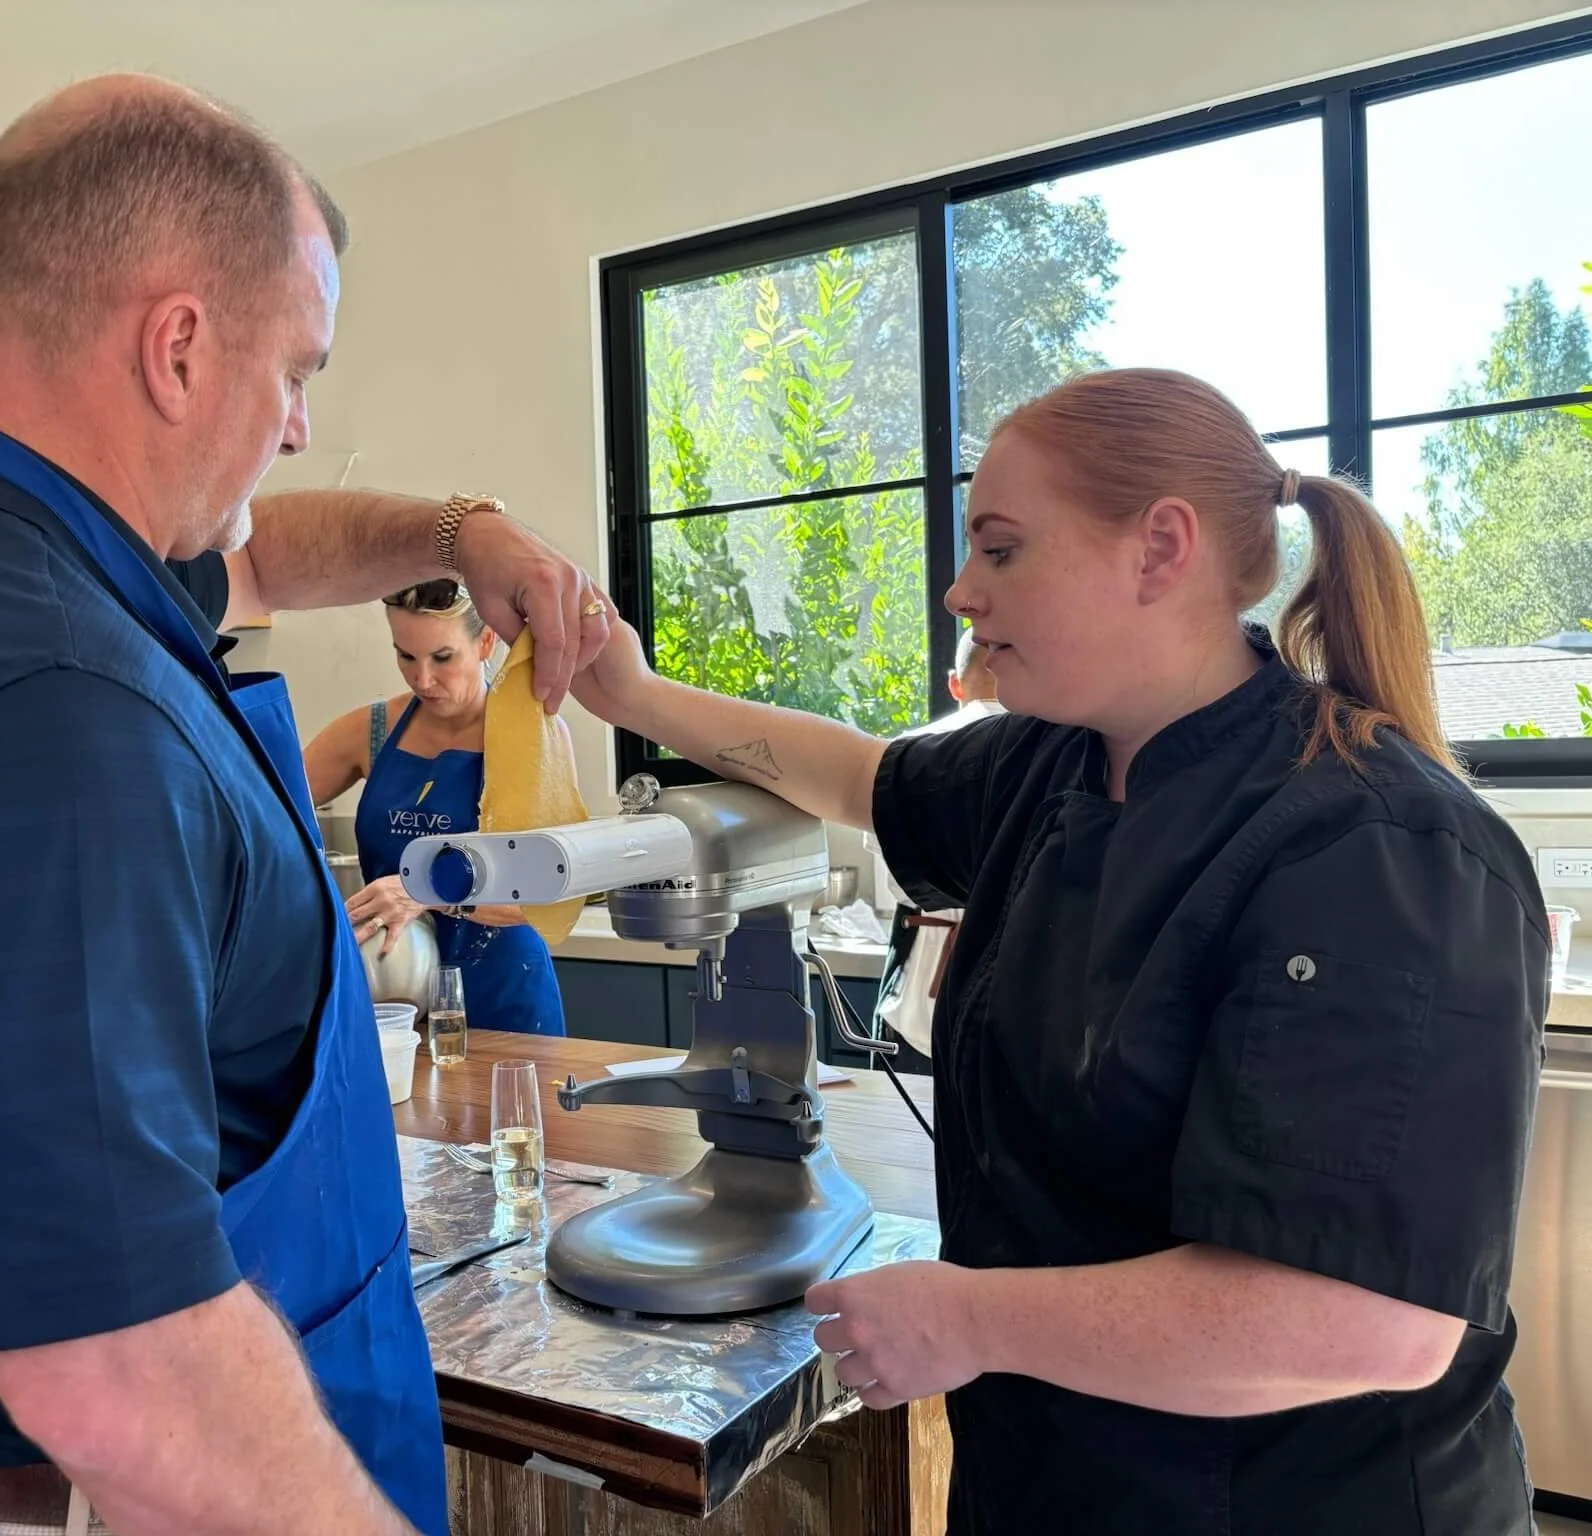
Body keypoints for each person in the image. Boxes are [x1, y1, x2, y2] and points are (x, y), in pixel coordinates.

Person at [0, 76, 610, 1536]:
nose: (303, 428)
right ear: (180, 346)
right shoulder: (46, 706)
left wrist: (460, 532)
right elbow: (113, 1362)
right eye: (297, 372)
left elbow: (262, 560)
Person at [570, 367, 1545, 1534]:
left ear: (1157, 549)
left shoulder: (1380, 847)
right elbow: (853, 774)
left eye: (999, 550)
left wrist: (970, 1320)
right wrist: (628, 690)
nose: (959, 591)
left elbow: (1362, 1320)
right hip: (1059, 1480)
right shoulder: (1051, 766)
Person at [303, 578, 569, 1035]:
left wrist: (429, 891)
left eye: (442, 658)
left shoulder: (532, 734)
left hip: (504, 993)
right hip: (392, 996)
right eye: (406, 656)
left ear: (485, 642)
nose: (422, 679)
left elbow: (551, 892)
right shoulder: (372, 730)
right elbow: (261, 812)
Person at [871, 625, 1004, 1068]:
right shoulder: (1052, 753)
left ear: (954, 683)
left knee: (899, 1124)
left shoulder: (907, 753)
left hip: (917, 990)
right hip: (1016, 990)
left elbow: (891, 881)